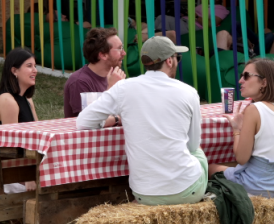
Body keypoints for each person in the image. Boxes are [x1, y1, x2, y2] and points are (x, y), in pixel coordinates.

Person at [76, 36, 207, 206]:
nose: (177, 62)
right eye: (177, 58)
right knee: (197, 152)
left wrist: (113, 119)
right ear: (169, 61)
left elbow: (83, 121)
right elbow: (193, 145)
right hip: (186, 190)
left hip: (143, 193)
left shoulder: (124, 87)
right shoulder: (188, 92)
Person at [209, 58, 274, 197]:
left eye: (246, 76)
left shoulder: (254, 109)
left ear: (264, 82)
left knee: (211, 167)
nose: (240, 80)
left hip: (257, 186)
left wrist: (237, 130)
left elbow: (241, 158)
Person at [0, 47, 40, 192]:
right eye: (29, 66)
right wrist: (28, 178)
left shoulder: (27, 99)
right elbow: (13, 145)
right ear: (14, 71)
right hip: (13, 175)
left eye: (35, 66)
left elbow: (36, 136)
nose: (35, 70)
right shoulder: (8, 101)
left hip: (28, 167)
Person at [62, 27, 127, 118]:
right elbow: (89, 121)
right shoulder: (80, 81)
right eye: (119, 49)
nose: (124, 53)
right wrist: (111, 88)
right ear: (103, 55)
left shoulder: (115, 77)